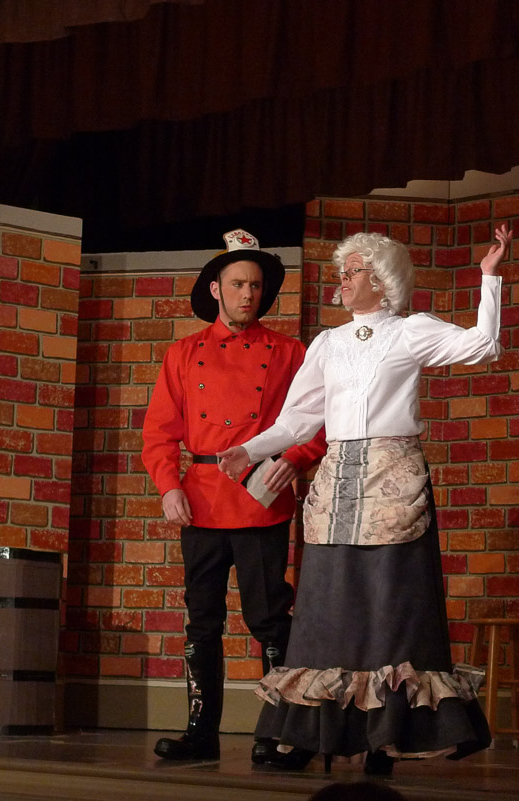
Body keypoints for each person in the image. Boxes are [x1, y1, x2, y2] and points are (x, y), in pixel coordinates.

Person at [217, 225, 512, 775]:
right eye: (342, 272)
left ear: (381, 279)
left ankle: (385, 738)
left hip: (391, 480)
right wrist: (249, 450)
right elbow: (298, 419)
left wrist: (488, 278)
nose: (342, 281)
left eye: (352, 271)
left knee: (389, 606)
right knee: (327, 607)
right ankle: (315, 734)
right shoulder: (328, 344)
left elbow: (484, 345)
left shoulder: (409, 331)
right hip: (338, 484)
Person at [141, 228, 327, 764]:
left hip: (260, 499)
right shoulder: (183, 353)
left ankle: (278, 731)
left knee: (268, 619)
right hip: (200, 500)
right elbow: (159, 432)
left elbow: (319, 421)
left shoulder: (290, 352)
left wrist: (294, 460)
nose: (249, 294)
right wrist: (168, 486)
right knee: (202, 620)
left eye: (256, 285)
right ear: (216, 289)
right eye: (239, 284)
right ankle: (200, 733)